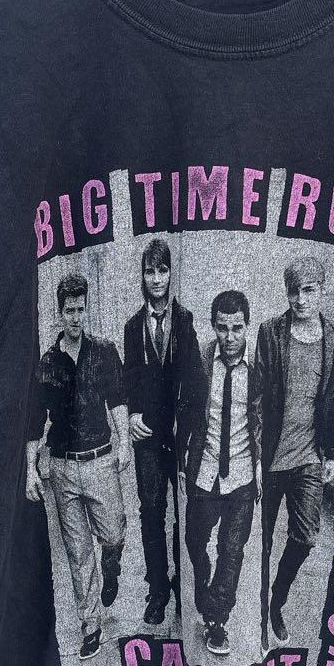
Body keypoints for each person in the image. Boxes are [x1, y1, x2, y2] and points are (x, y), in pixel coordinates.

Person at [26, 273, 131, 661]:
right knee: (78, 553)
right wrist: (31, 469)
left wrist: (123, 443)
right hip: (64, 468)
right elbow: (36, 422)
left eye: (80, 309)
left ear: (87, 309)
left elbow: (117, 398)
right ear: (60, 312)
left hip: (101, 461)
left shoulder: (103, 352)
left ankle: (112, 561)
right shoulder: (47, 364)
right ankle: (91, 626)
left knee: (114, 532)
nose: (75, 317)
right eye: (69, 310)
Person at [255, 256, 334, 650]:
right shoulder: (270, 332)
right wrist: (255, 456)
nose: (300, 299)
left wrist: (332, 454)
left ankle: (275, 601)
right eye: (293, 291)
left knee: (305, 537)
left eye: (308, 290)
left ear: (321, 290)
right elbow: (257, 396)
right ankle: (259, 614)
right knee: (260, 541)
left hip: (310, 457)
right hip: (270, 458)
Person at [176, 290, 261, 656]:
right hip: (205, 470)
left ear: (247, 327)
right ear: (213, 326)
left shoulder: (260, 367)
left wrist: (262, 465)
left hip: (242, 474)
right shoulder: (201, 361)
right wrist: (182, 462)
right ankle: (204, 594)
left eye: (237, 328)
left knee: (232, 549)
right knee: (195, 542)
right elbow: (185, 409)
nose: (230, 337)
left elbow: (266, 416)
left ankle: (217, 621)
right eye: (223, 328)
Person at [122, 239, 199, 625]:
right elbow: (129, 380)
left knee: (185, 512)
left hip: (180, 437)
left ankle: (182, 585)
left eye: (162, 270)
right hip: (148, 438)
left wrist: (190, 429)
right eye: (150, 271)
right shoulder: (132, 327)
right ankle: (157, 591)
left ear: (171, 274)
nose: (156, 279)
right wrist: (131, 414)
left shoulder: (184, 320)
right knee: (151, 511)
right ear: (142, 276)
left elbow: (197, 380)